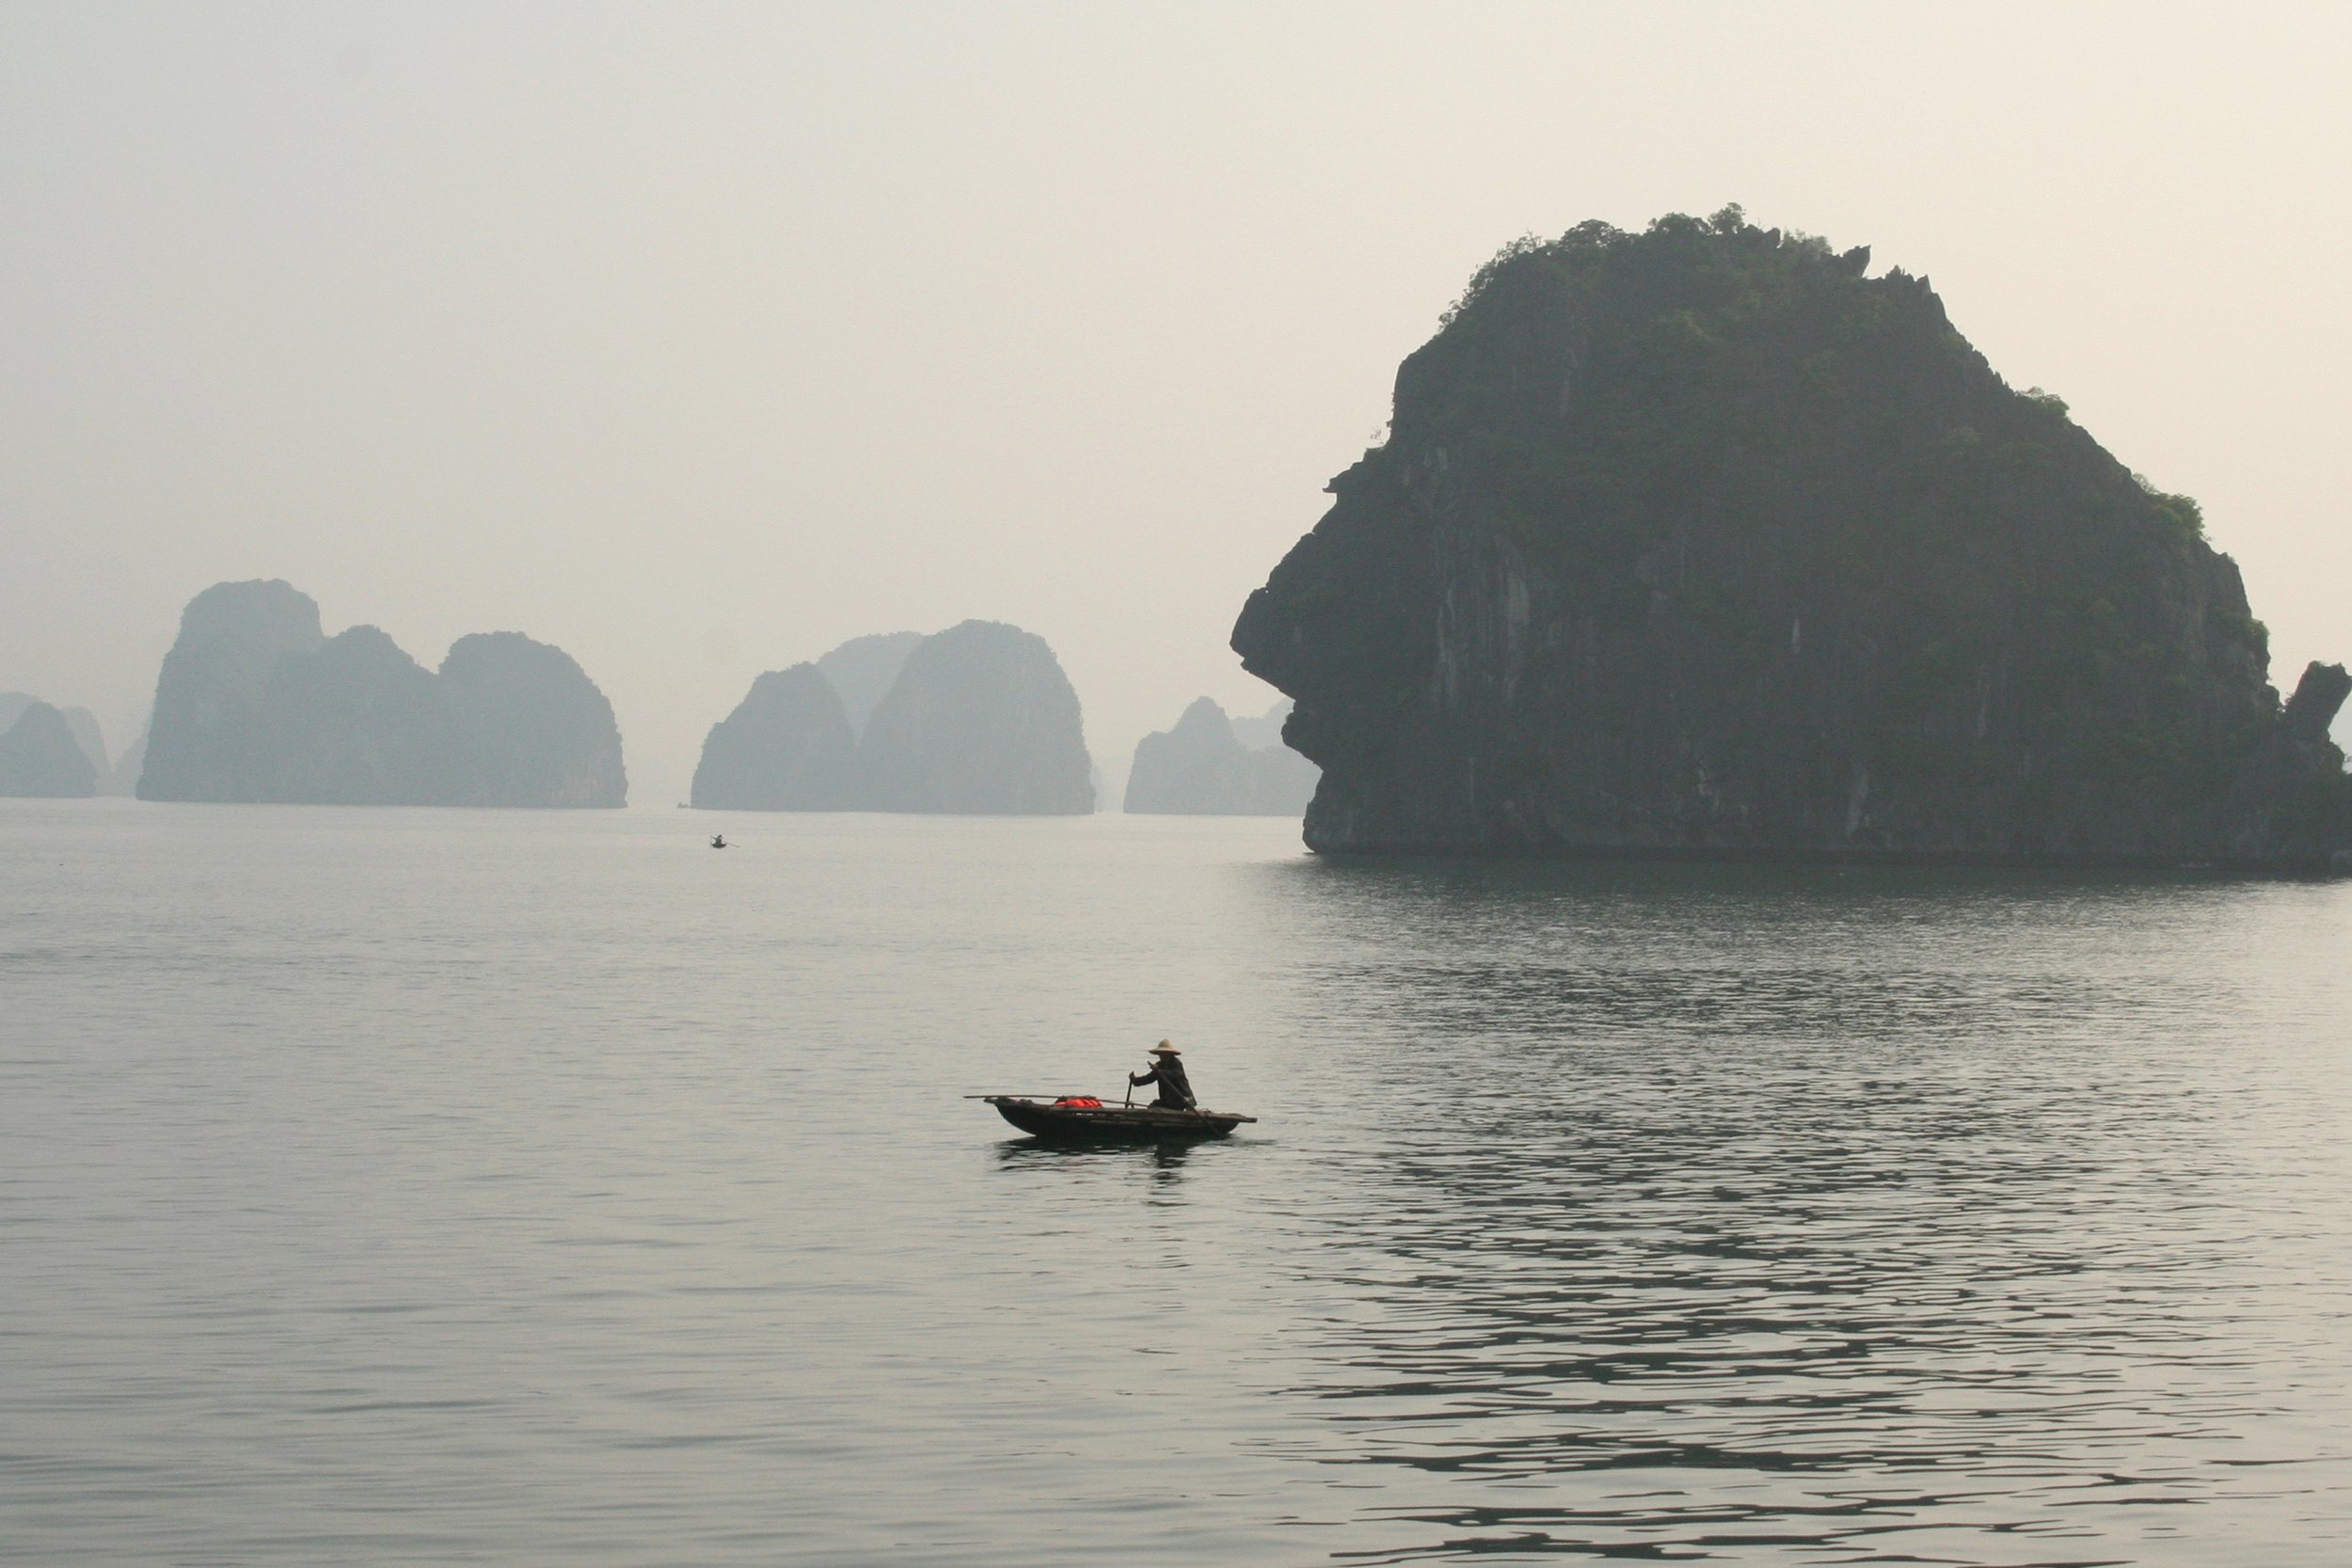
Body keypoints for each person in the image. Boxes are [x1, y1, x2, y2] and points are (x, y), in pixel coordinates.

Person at [1128, 1040, 1197, 1110]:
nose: (1161, 1056)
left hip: (1182, 1100)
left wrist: (1160, 1071)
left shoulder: (1176, 1063)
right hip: (1167, 1101)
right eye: (1160, 1054)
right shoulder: (1160, 1065)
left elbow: (1176, 1074)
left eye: (1164, 1053)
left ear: (1170, 1054)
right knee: (1153, 1107)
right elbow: (1149, 1078)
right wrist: (1135, 1080)